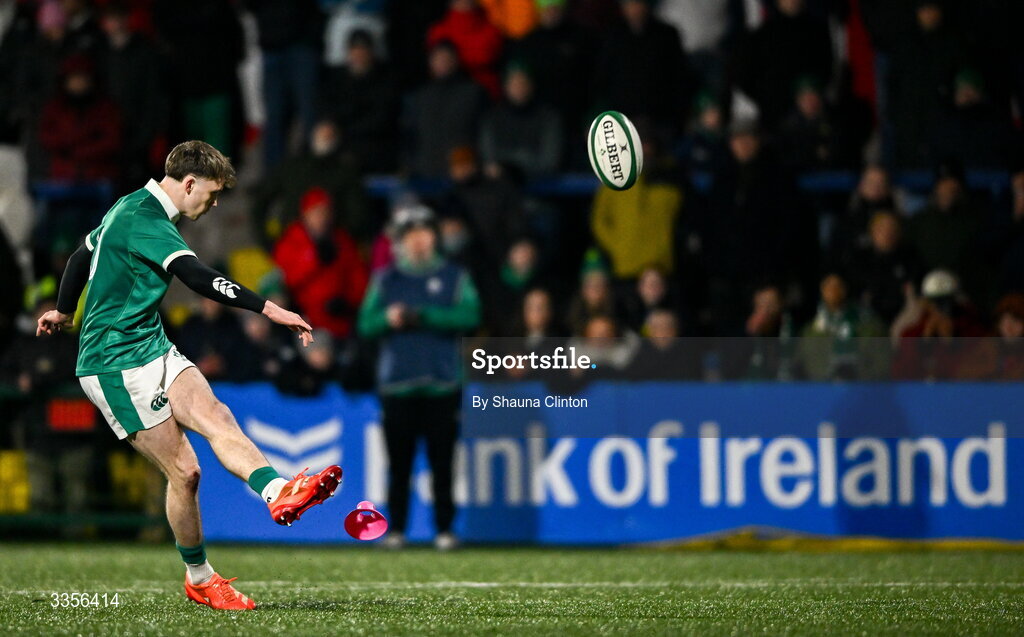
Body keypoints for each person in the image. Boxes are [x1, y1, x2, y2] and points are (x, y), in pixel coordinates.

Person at [36, 141, 342, 610]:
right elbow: (196, 277)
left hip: (151, 344)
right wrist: (270, 308)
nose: (214, 204)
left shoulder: (130, 205)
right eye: (213, 194)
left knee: (216, 415)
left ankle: (278, 492)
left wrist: (62, 310)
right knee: (186, 471)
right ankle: (199, 577)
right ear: (190, 183)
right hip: (112, 363)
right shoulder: (147, 220)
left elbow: (82, 254)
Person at [357, 203, 482, 550]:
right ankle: (396, 529)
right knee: (399, 465)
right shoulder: (386, 279)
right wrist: (388, 319)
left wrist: (424, 315)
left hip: (442, 383)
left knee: (443, 464)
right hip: (398, 385)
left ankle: (445, 529)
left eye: (424, 233)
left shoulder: (455, 276)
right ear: (401, 240)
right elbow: (365, 324)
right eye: (411, 234)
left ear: (434, 237)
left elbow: (471, 315)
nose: (418, 241)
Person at [273, 186, 369, 338]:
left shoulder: (342, 241)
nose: (321, 218)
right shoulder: (291, 241)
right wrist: (313, 258)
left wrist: (349, 302)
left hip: (341, 321)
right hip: (305, 322)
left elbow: (358, 277)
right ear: (305, 214)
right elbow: (285, 279)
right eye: (315, 212)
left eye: (325, 212)